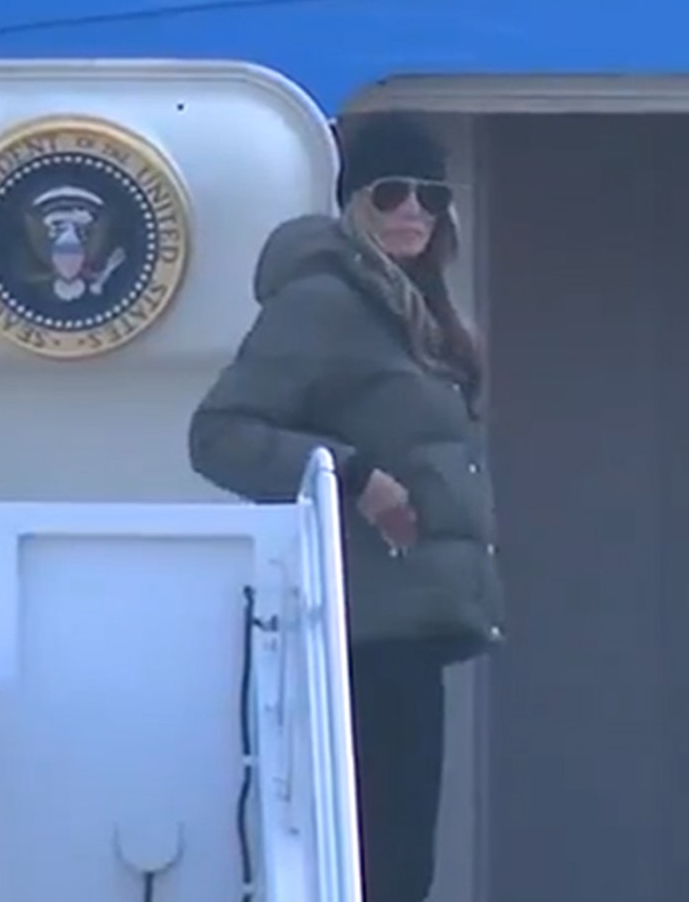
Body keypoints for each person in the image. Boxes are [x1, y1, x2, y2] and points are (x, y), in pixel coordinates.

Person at [188, 112, 503, 902]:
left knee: (400, 861)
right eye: (391, 192)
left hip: (409, 624)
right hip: (356, 631)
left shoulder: (417, 318)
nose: (413, 212)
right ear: (354, 202)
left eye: (430, 197)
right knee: (376, 862)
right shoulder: (325, 302)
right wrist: (352, 475)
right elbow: (220, 434)